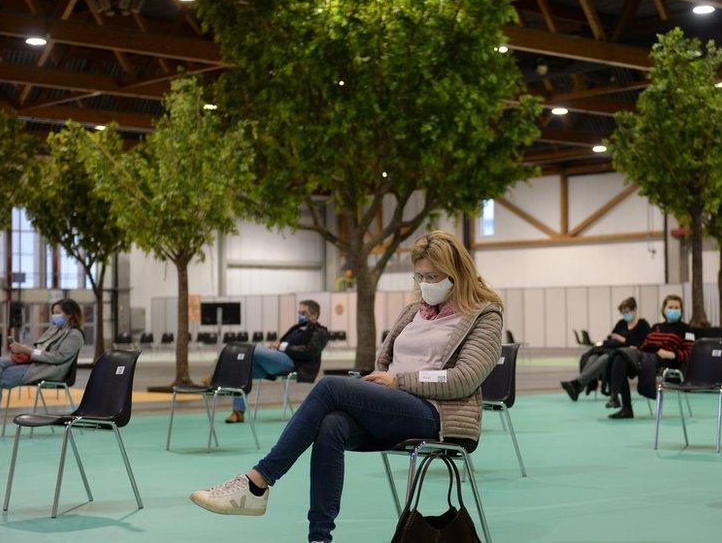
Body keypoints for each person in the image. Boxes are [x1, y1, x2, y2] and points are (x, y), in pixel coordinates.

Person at [190, 230, 503, 543]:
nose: (425, 284)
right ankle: (319, 538)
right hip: (397, 405)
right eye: (419, 276)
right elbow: (386, 362)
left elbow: (464, 378)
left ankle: (257, 481)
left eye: (432, 276)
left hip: (438, 415)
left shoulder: (483, 315)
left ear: (457, 273)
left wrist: (398, 382)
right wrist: (383, 382)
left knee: (330, 388)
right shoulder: (413, 312)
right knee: (331, 425)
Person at [0, 299, 85, 439]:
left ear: (69, 314)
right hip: (35, 363)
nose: (54, 316)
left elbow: (58, 357)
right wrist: (22, 350)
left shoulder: (75, 335)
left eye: (58, 313)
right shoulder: (55, 329)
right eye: (53, 313)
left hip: (48, 370)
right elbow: (39, 349)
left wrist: (29, 351)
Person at [225, 300, 329, 423]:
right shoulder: (296, 328)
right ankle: (238, 412)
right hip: (278, 360)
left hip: (294, 364)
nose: (300, 315)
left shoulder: (320, 332)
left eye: (303, 312)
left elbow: (310, 351)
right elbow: (281, 345)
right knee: (242, 367)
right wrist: (275, 347)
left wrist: (282, 346)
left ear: (314, 315)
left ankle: (215, 377)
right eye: (299, 312)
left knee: (254, 349)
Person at [603, 294, 694, 419]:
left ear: (681, 310)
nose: (673, 310)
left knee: (622, 354)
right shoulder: (656, 326)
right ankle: (622, 405)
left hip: (666, 361)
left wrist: (670, 354)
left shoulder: (687, 329)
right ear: (664, 309)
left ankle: (615, 397)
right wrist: (652, 349)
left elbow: (689, 353)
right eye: (670, 307)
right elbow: (645, 344)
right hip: (647, 356)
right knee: (620, 358)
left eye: (676, 307)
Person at [562, 297, 650, 401]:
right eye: (623, 313)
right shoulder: (621, 323)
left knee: (605, 359)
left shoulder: (643, 325)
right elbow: (611, 336)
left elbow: (640, 345)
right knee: (592, 357)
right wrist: (614, 338)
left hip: (627, 355)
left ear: (635, 309)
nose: (625, 315)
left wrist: (622, 339)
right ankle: (578, 387)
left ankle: (577, 384)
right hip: (612, 349)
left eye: (627, 312)